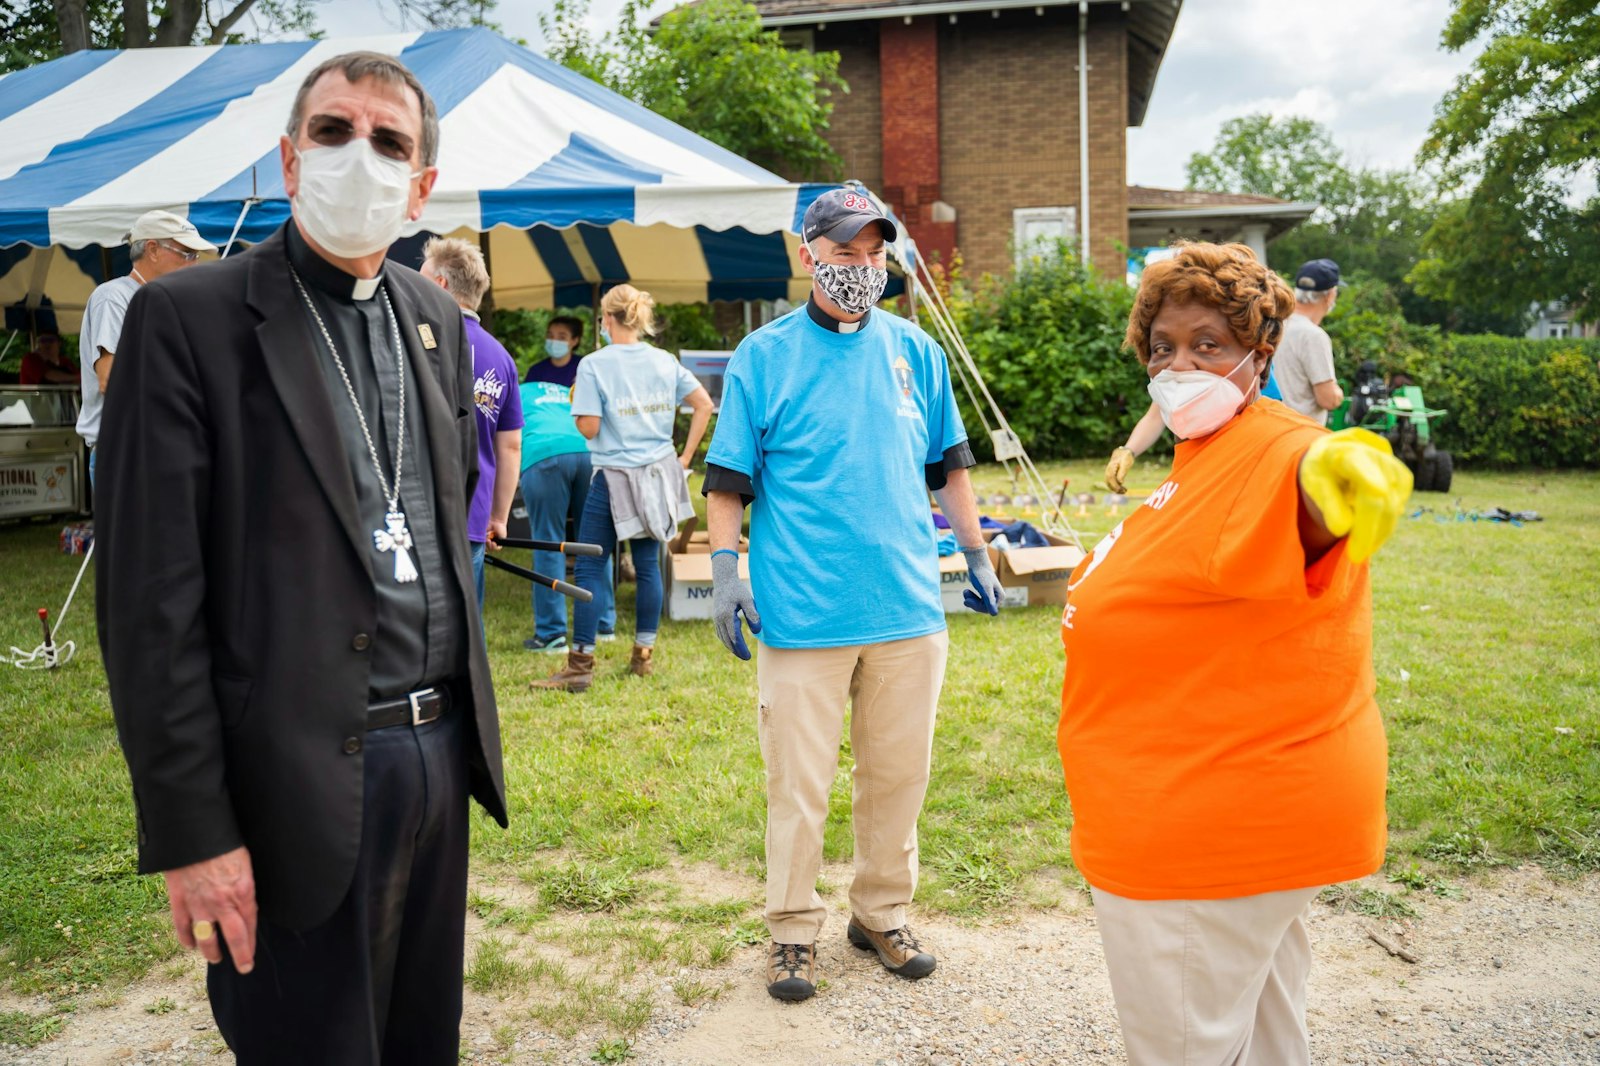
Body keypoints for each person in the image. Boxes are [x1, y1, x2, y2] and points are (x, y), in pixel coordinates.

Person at [95, 51, 506, 1064]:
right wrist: (194, 832)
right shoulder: (188, 320)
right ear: (287, 159)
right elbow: (150, 606)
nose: (356, 157)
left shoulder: (435, 320)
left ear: (422, 186)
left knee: (420, 1041)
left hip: (436, 751)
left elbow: (442, 508)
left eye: (388, 141)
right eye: (332, 132)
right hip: (291, 778)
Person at [1058, 242, 1412, 1065]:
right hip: (1218, 817)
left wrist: (1339, 472)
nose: (1179, 364)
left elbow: (1307, 488)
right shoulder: (1203, 453)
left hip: (1206, 837)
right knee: (1263, 1040)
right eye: (1163, 348)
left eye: (1206, 344)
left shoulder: (1272, 449)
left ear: (1260, 351)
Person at [702, 188, 1004, 1003]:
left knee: (899, 775)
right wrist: (726, 573)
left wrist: (976, 555)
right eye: (845, 253)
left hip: (908, 607)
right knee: (798, 786)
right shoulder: (763, 357)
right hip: (803, 614)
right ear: (810, 255)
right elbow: (728, 480)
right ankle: (792, 929)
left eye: (874, 253)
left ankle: (879, 912)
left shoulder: (918, 352)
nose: (861, 267)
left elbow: (950, 467)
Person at [532, 284, 712, 691]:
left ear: (607, 320)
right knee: (648, 566)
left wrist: (577, 414)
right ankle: (642, 657)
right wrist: (684, 459)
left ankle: (580, 665)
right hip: (658, 474)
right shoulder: (664, 361)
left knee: (592, 566)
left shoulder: (595, 364)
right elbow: (703, 403)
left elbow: (590, 426)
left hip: (612, 477)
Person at [420, 236, 523, 605]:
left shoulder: (415, 342)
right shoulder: (501, 357)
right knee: (466, 627)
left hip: (416, 509)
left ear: (440, 284)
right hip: (473, 513)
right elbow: (509, 446)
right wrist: (498, 515)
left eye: (421, 278)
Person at [77, 210, 214, 485]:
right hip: (125, 452)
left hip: (164, 449)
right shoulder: (113, 298)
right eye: (187, 253)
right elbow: (110, 379)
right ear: (152, 249)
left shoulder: (171, 303)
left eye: (197, 256)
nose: (195, 263)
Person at [517, 372, 617, 653]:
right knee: (594, 543)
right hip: (587, 453)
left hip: (543, 454)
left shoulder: (519, 391)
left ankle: (552, 635)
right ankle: (603, 623)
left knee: (548, 541)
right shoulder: (565, 391)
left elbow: (505, 436)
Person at [1104, 367, 1285, 492]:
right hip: (1191, 472)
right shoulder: (1177, 360)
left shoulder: (1243, 366)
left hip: (1240, 470)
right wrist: (1127, 451)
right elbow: (1155, 415)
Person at [1273, 257, 1345, 425]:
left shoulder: (1276, 324)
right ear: (1329, 296)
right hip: (1301, 436)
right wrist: (1337, 394)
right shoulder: (1313, 336)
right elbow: (1327, 400)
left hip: (1274, 431)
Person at [524, 314, 586, 387]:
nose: (554, 341)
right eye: (550, 336)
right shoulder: (536, 371)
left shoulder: (584, 367)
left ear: (575, 341)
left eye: (562, 337)